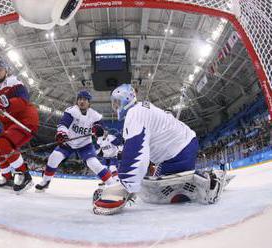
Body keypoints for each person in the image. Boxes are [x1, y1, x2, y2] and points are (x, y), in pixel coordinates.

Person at [93, 84, 227, 215]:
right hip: (183, 147)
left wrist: (125, 185)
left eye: (116, 102)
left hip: (177, 154)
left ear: (126, 98)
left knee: (159, 192)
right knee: (160, 181)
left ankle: (208, 181)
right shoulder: (142, 108)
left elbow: (136, 152)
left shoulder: (134, 113)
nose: (115, 107)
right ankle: (201, 178)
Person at [0, 59, 39, 192]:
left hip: (25, 120)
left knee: (4, 144)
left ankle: (26, 176)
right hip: (10, 125)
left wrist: (8, 104)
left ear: (7, 71)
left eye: (0, 69)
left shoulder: (14, 81)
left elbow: (23, 100)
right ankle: (8, 177)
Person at [35, 90, 118, 191]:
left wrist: (98, 129)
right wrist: (61, 133)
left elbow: (101, 127)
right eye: (79, 99)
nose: (81, 101)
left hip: (85, 145)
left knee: (93, 163)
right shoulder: (71, 111)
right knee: (54, 157)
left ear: (89, 102)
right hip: (68, 142)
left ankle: (112, 184)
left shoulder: (94, 115)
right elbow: (63, 124)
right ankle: (45, 181)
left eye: (84, 99)